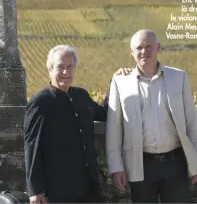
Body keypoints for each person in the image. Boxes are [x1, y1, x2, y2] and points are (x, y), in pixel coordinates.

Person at [106, 29, 197, 203]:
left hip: (176, 162)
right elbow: (113, 129)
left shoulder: (179, 77)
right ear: (131, 52)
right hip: (139, 164)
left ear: (158, 47)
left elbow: (191, 122)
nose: (144, 51)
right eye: (139, 48)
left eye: (148, 46)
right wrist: (116, 167)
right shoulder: (120, 82)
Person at [23, 44, 131, 204]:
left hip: (88, 186)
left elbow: (104, 113)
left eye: (70, 67)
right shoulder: (40, 102)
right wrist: (36, 190)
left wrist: (114, 83)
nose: (66, 72)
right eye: (60, 67)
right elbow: (32, 146)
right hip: (57, 190)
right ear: (50, 69)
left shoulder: (81, 96)